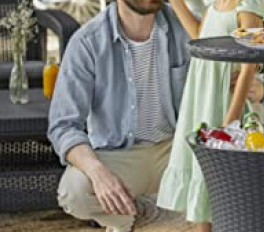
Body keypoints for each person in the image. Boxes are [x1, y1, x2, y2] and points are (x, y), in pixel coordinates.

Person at [47, 0, 190, 231]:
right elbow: (63, 126)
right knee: (74, 192)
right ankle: (142, 216)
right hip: (119, 154)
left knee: (227, 179)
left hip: (173, 151)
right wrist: (97, 172)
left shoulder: (184, 27)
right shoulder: (87, 42)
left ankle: (147, 217)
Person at [156, 0, 264, 232]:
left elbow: (250, 65)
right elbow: (200, 36)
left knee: (221, 168)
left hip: (223, 97)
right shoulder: (214, 6)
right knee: (202, 162)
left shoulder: (248, 6)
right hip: (201, 94)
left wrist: (231, 118)